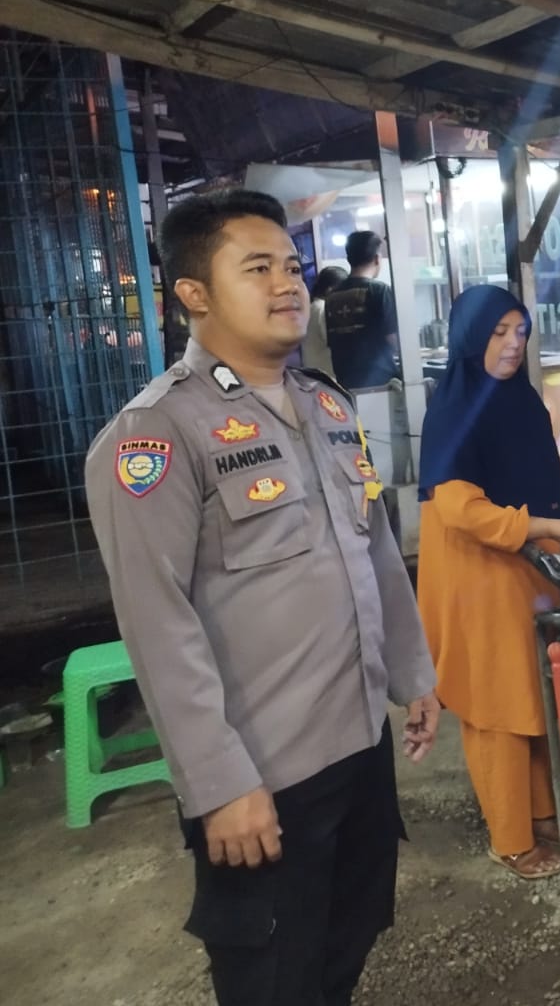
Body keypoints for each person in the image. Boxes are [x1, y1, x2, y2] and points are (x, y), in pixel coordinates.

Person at [84, 189, 440, 1006]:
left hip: (359, 741)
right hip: (265, 773)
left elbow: (375, 551)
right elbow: (157, 624)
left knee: (349, 937)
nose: (287, 285)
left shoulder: (326, 404)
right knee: (274, 977)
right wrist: (217, 785)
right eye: (256, 269)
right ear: (194, 294)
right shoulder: (157, 434)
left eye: (291, 266)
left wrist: (412, 674)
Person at [416, 285, 560, 879]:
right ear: (470, 338)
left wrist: (557, 538)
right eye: (498, 332)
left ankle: (539, 813)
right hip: (476, 571)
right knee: (495, 704)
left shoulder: (519, 401)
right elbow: (460, 511)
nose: (513, 343)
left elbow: (541, 487)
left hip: (524, 564)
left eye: (520, 331)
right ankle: (511, 839)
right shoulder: (454, 409)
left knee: (533, 693)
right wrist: (546, 527)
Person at [325, 230, 400, 389]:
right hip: (381, 383)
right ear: (377, 259)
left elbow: (332, 342)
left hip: (346, 384)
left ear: (349, 259)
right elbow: (393, 339)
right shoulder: (380, 291)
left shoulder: (332, 296)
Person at [300, 264, 347, 377]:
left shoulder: (312, 307)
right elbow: (333, 341)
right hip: (327, 373)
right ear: (330, 290)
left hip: (313, 371)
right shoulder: (323, 309)